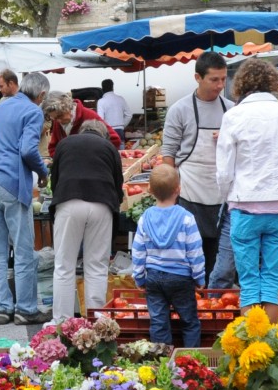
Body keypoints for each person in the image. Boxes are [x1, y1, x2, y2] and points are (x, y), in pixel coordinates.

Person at [216, 58, 278, 322]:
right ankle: (271, 345)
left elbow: (224, 170)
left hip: (245, 204)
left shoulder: (233, 116)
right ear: (272, 83)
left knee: (249, 281)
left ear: (241, 84)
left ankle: (253, 346)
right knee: (272, 282)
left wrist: (227, 195)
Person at [0, 71, 51, 326]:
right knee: (23, 251)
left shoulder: (3, 105)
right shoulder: (33, 112)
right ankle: (25, 309)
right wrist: (42, 172)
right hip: (12, 183)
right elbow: (27, 149)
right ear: (42, 95)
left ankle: (3, 308)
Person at [161, 51, 233, 279]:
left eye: (223, 79)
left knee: (219, 258)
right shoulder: (179, 110)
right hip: (189, 193)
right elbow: (169, 155)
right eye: (214, 79)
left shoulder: (232, 110)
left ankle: (213, 301)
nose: (220, 85)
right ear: (197, 78)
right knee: (191, 253)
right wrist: (169, 197)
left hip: (223, 195)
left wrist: (228, 139)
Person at [49, 120, 123, 323]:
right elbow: (118, 186)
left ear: (82, 131)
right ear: (103, 135)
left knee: (64, 265)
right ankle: (96, 321)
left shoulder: (65, 143)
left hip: (68, 201)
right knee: (97, 266)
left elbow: (54, 180)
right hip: (102, 204)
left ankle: (62, 323)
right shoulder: (109, 148)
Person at [131, 164, 205, 347]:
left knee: (158, 322)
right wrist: (199, 278)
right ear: (178, 190)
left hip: (154, 277)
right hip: (181, 278)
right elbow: (195, 251)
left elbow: (138, 251)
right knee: (189, 322)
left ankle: (162, 363)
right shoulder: (187, 218)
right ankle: (190, 361)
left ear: (149, 190)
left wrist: (139, 278)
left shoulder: (144, 218)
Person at [43, 90, 121, 156]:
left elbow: (115, 140)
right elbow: (53, 148)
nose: (58, 121)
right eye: (54, 118)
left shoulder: (89, 115)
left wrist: (90, 154)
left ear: (68, 107)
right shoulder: (58, 122)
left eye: (60, 116)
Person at [96, 78, 132, 146]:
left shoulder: (101, 102)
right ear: (113, 87)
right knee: (121, 155)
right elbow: (129, 115)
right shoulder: (120, 99)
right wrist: (122, 125)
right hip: (120, 131)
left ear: (102, 89)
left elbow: (100, 119)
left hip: (108, 132)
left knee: (109, 154)